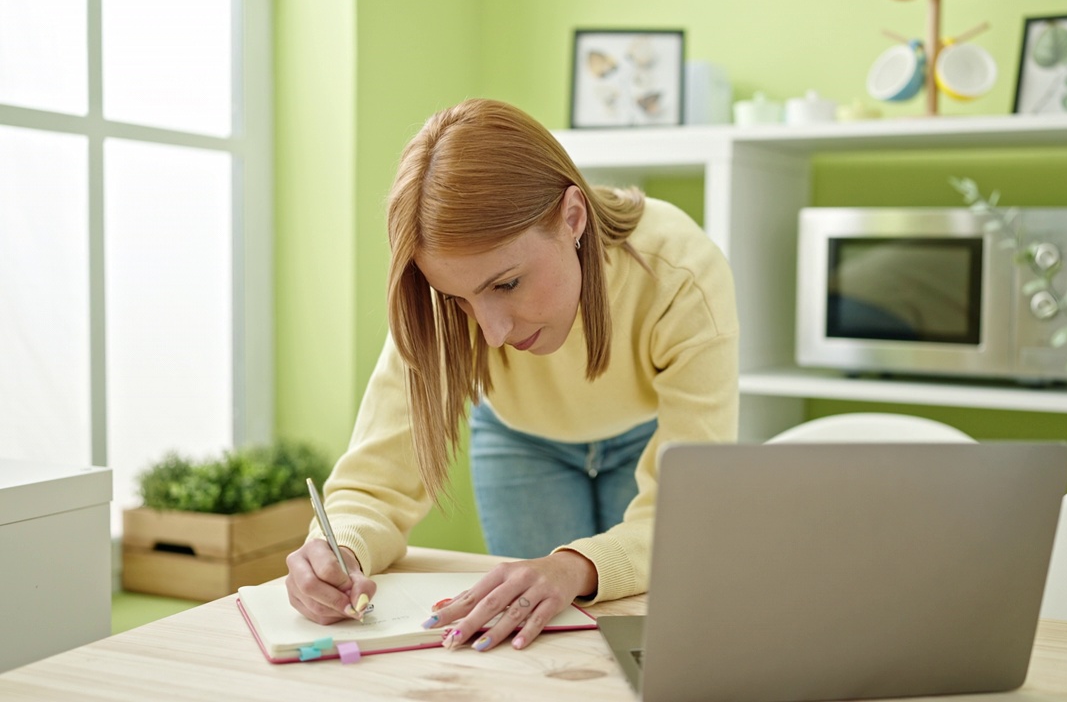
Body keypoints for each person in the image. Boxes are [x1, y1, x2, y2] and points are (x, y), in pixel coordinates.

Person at [284, 98, 739, 653]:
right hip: (521, 438)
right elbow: (375, 483)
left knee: (650, 640)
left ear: (573, 217)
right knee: (537, 647)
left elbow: (690, 512)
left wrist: (574, 567)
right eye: (460, 299)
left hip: (648, 441)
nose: (492, 333)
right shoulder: (437, 299)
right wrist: (341, 551)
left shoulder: (681, 271)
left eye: (506, 284)